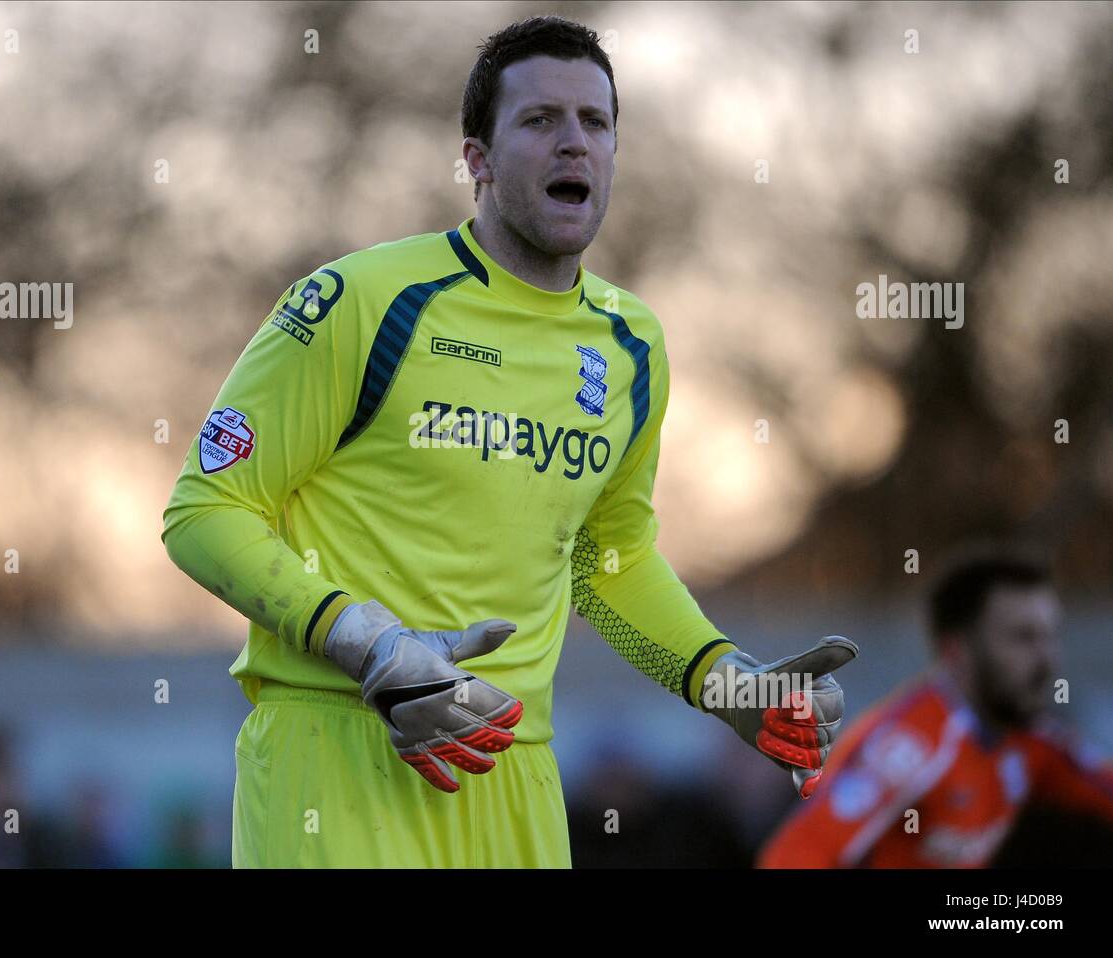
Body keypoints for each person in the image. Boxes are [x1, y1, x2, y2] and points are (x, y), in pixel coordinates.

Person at [163, 15, 855, 868]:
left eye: (595, 124)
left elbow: (612, 562)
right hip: (337, 757)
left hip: (518, 775)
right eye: (539, 121)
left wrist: (727, 685)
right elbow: (203, 509)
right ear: (477, 160)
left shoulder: (632, 344)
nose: (574, 144)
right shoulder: (364, 300)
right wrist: (368, 643)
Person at [759, 550, 1113, 868]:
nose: (1047, 659)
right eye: (1022, 637)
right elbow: (797, 853)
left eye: (1050, 636)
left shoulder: (1032, 740)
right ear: (957, 651)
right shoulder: (912, 745)